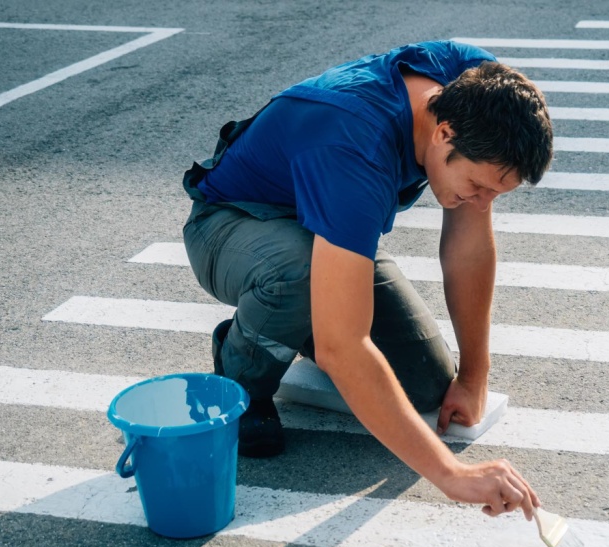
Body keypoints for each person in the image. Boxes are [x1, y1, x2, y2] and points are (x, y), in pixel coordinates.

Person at [182, 41, 553, 519]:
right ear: (443, 133)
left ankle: (296, 321)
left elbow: (468, 249)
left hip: (323, 228)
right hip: (231, 224)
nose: (483, 203)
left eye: (496, 193)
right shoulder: (354, 146)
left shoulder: (478, 88)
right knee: (301, 277)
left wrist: (474, 374)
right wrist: (452, 474)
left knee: (425, 388)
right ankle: (243, 370)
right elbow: (344, 346)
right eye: (479, 187)